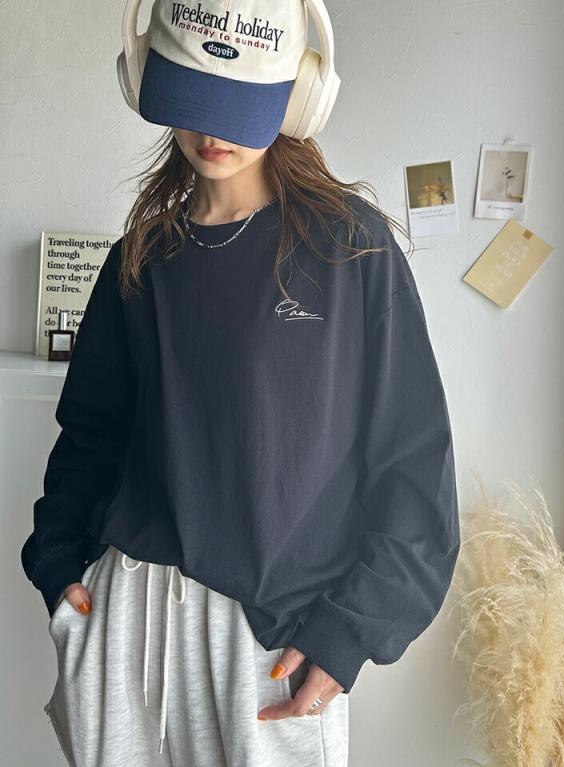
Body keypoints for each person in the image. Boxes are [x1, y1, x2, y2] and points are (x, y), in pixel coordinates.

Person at [20, 1, 461, 765]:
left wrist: (351, 631)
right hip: (128, 618)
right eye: (192, 99)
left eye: (236, 106)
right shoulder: (139, 260)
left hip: (269, 640)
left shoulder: (349, 248)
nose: (211, 130)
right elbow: (91, 436)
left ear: (297, 98)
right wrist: (59, 568)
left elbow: (413, 465)